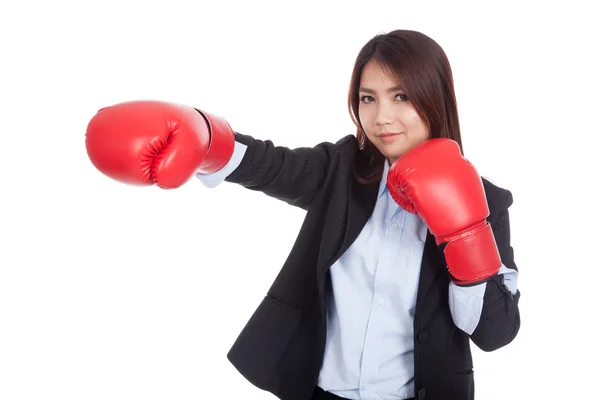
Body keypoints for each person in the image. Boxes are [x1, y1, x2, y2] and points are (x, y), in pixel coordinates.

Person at [85, 29, 520, 400]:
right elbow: (272, 165)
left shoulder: (488, 201)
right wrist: (204, 138)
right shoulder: (343, 170)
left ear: (434, 95)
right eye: (368, 98)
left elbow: (495, 333)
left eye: (401, 96)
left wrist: (465, 235)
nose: (382, 117)